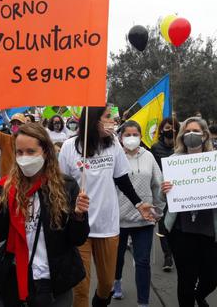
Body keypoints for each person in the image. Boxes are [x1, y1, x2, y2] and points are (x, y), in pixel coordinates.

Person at [58, 106, 154, 307]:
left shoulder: (114, 146)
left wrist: (139, 204)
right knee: (80, 289)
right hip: (78, 226)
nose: (112, 121)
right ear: (94, 120)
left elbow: (122, 179)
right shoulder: (69, 147)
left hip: (108, 226)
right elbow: (60, 185)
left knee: (106, 284)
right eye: (107, 117)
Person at [0, 123, 90, 306]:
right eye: (19, 152)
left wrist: (79, 216)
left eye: (30, 151)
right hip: (13, 280)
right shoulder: (5, 188)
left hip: (54, 283)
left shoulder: (66, 186)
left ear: (46, 152)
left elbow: (77, 239)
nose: (24, 157)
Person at [161, 117, 217, 307]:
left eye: (196, 131)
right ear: (182, 136)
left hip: (210, 231)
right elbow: (161, 198)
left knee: (212, 278)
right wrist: (164, 190)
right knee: (186, 281)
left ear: (205, 135)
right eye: (187, 131)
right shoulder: (173, 162)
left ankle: (200, 296)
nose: (191, 135)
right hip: (182, 232)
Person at [112, 121, 165, 306]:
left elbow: (158, 185)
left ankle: (143, 302)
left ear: (141, 137)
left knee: (143, 262)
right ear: (120, 137)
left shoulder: (149, 156)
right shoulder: (115, 157)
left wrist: (158, 210)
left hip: (144, 219)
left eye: (135, 134)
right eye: (127, 134)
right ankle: (116, 280)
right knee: (117, 259)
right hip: (118, 220)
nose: (132, 138)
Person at [150, 117, 179, 272]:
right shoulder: (155, 148)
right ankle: (167, 256)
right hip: (162, 192)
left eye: (174, 128)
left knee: (176, 224)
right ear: (162, 130)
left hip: (180, 192)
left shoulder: (181, 148)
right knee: (163, 225)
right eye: (168, 127)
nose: (171, 131)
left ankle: (177, 250)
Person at [0, 113, 27, 177]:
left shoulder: (30, 142)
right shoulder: (5, 140)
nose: (16, 126)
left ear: (25, 126)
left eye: (19, 124)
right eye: (13, 124)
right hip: (7, 182)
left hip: (24, 182)